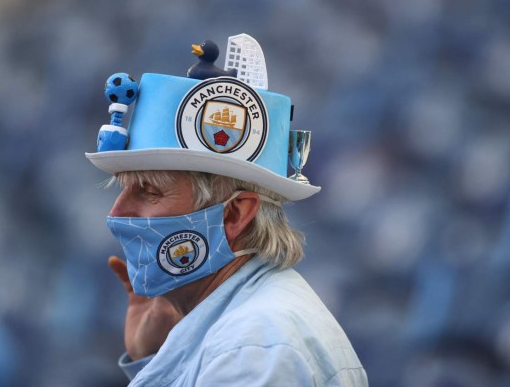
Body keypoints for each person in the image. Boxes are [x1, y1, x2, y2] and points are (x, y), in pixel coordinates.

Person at [86, 43, 368, 385]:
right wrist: (155, 357)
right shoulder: (246, 330)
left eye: (149, 191)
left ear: (234, 214)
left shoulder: (252, 348)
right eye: (123, 188)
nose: (118, 212)